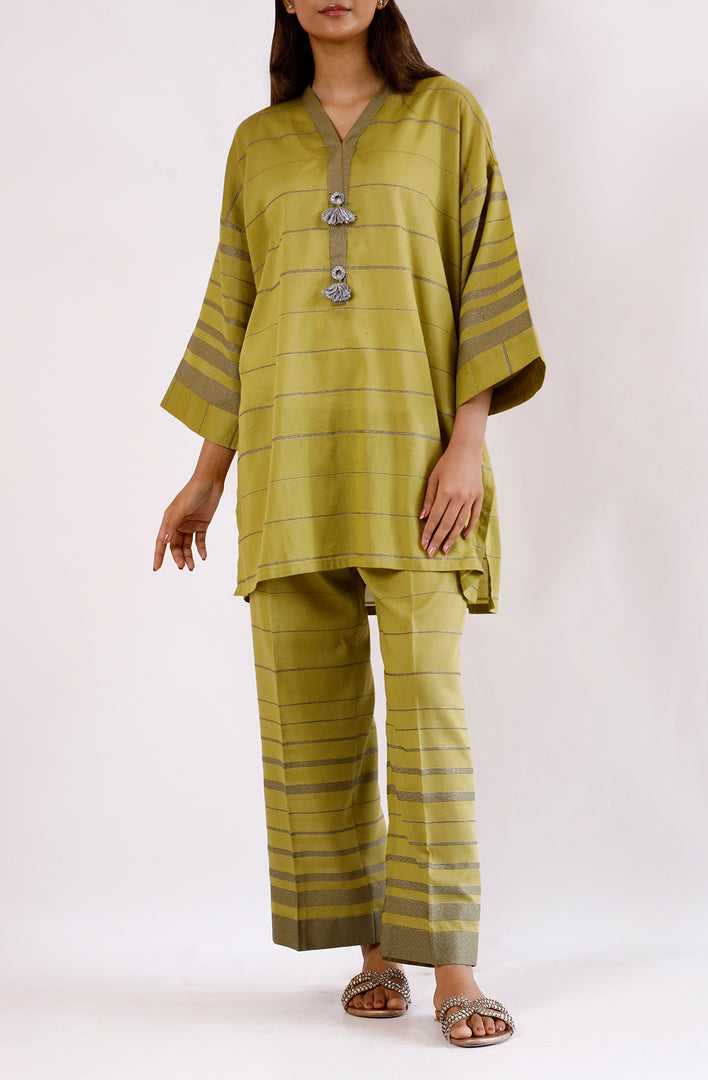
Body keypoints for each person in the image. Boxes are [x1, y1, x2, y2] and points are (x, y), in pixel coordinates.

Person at [153, 0, 545, 1048]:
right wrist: (206, 477)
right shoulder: (258, 143)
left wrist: (467, 443)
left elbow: (483, 276)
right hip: (289, 461)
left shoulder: (447, 116)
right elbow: (235, 305)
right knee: (312, 715)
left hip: (414, 462)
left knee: (428, 717)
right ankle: (373, 953)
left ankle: (453, 966)